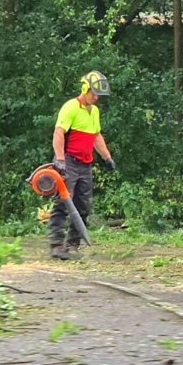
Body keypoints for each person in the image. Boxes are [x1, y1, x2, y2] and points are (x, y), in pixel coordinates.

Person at [49, 71, 116, 260]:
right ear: (85, 88)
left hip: (86, 164)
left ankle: (73, 244)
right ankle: (56, 244)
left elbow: (96, 136)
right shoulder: (71, 107)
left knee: (83, 205)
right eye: (93, 93)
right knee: (64, 201)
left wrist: (107, 158)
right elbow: (59, 133)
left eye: (98, 95)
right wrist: (60, 159)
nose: (96, 97)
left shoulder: (94, 111)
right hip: (69, 161)